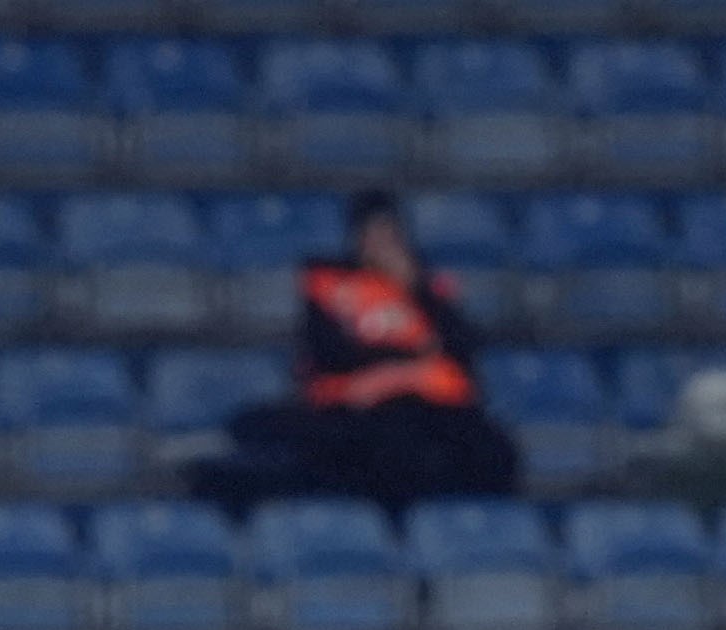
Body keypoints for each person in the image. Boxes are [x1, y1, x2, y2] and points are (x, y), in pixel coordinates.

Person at [205, 192, 519, 513]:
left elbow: (461, 351)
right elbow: (330, 352)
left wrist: (417, 290)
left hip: (430, 407)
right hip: (362, 408)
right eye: (374, 232)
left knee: (489, 451)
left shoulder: (429, 286)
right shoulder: (330, 282)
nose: (382, 243)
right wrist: (401, 361)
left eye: (391, 233)